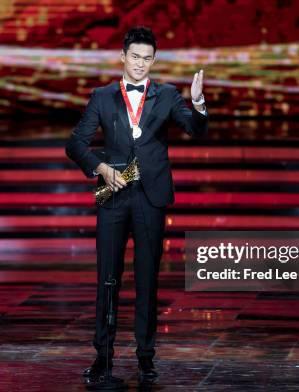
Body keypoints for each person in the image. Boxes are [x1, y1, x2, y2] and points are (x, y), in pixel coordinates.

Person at [65, 26, 208, 381]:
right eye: (135, 57)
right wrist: (98, 166)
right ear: (123, 57)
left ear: (153, 60)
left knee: (148, 280)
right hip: (112, 195)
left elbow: (194, 128)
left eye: (147, 59)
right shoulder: (101, 96)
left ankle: (146, 356)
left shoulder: (168, 96)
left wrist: (198, 103)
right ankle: (104, 355)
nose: (141, 64)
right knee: (107, 279)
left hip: (151, 197)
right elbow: (75, 143)